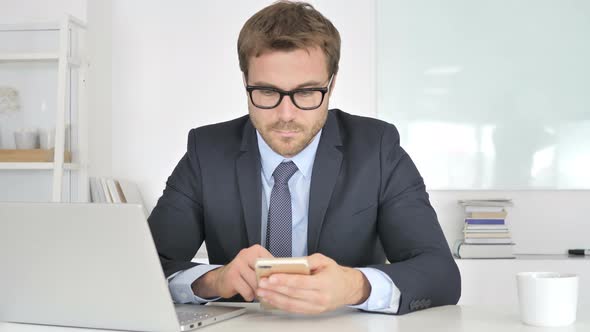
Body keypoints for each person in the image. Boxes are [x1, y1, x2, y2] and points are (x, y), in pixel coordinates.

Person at [148, 0, 460, 315]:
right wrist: (213, 280)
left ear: (331, 84)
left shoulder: (376, 149)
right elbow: (145, 267)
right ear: (245, 82)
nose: (286, 115)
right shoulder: (207, 151)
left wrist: (354, 285)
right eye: (268, 92)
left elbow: (440, 274)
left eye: (307, 93)